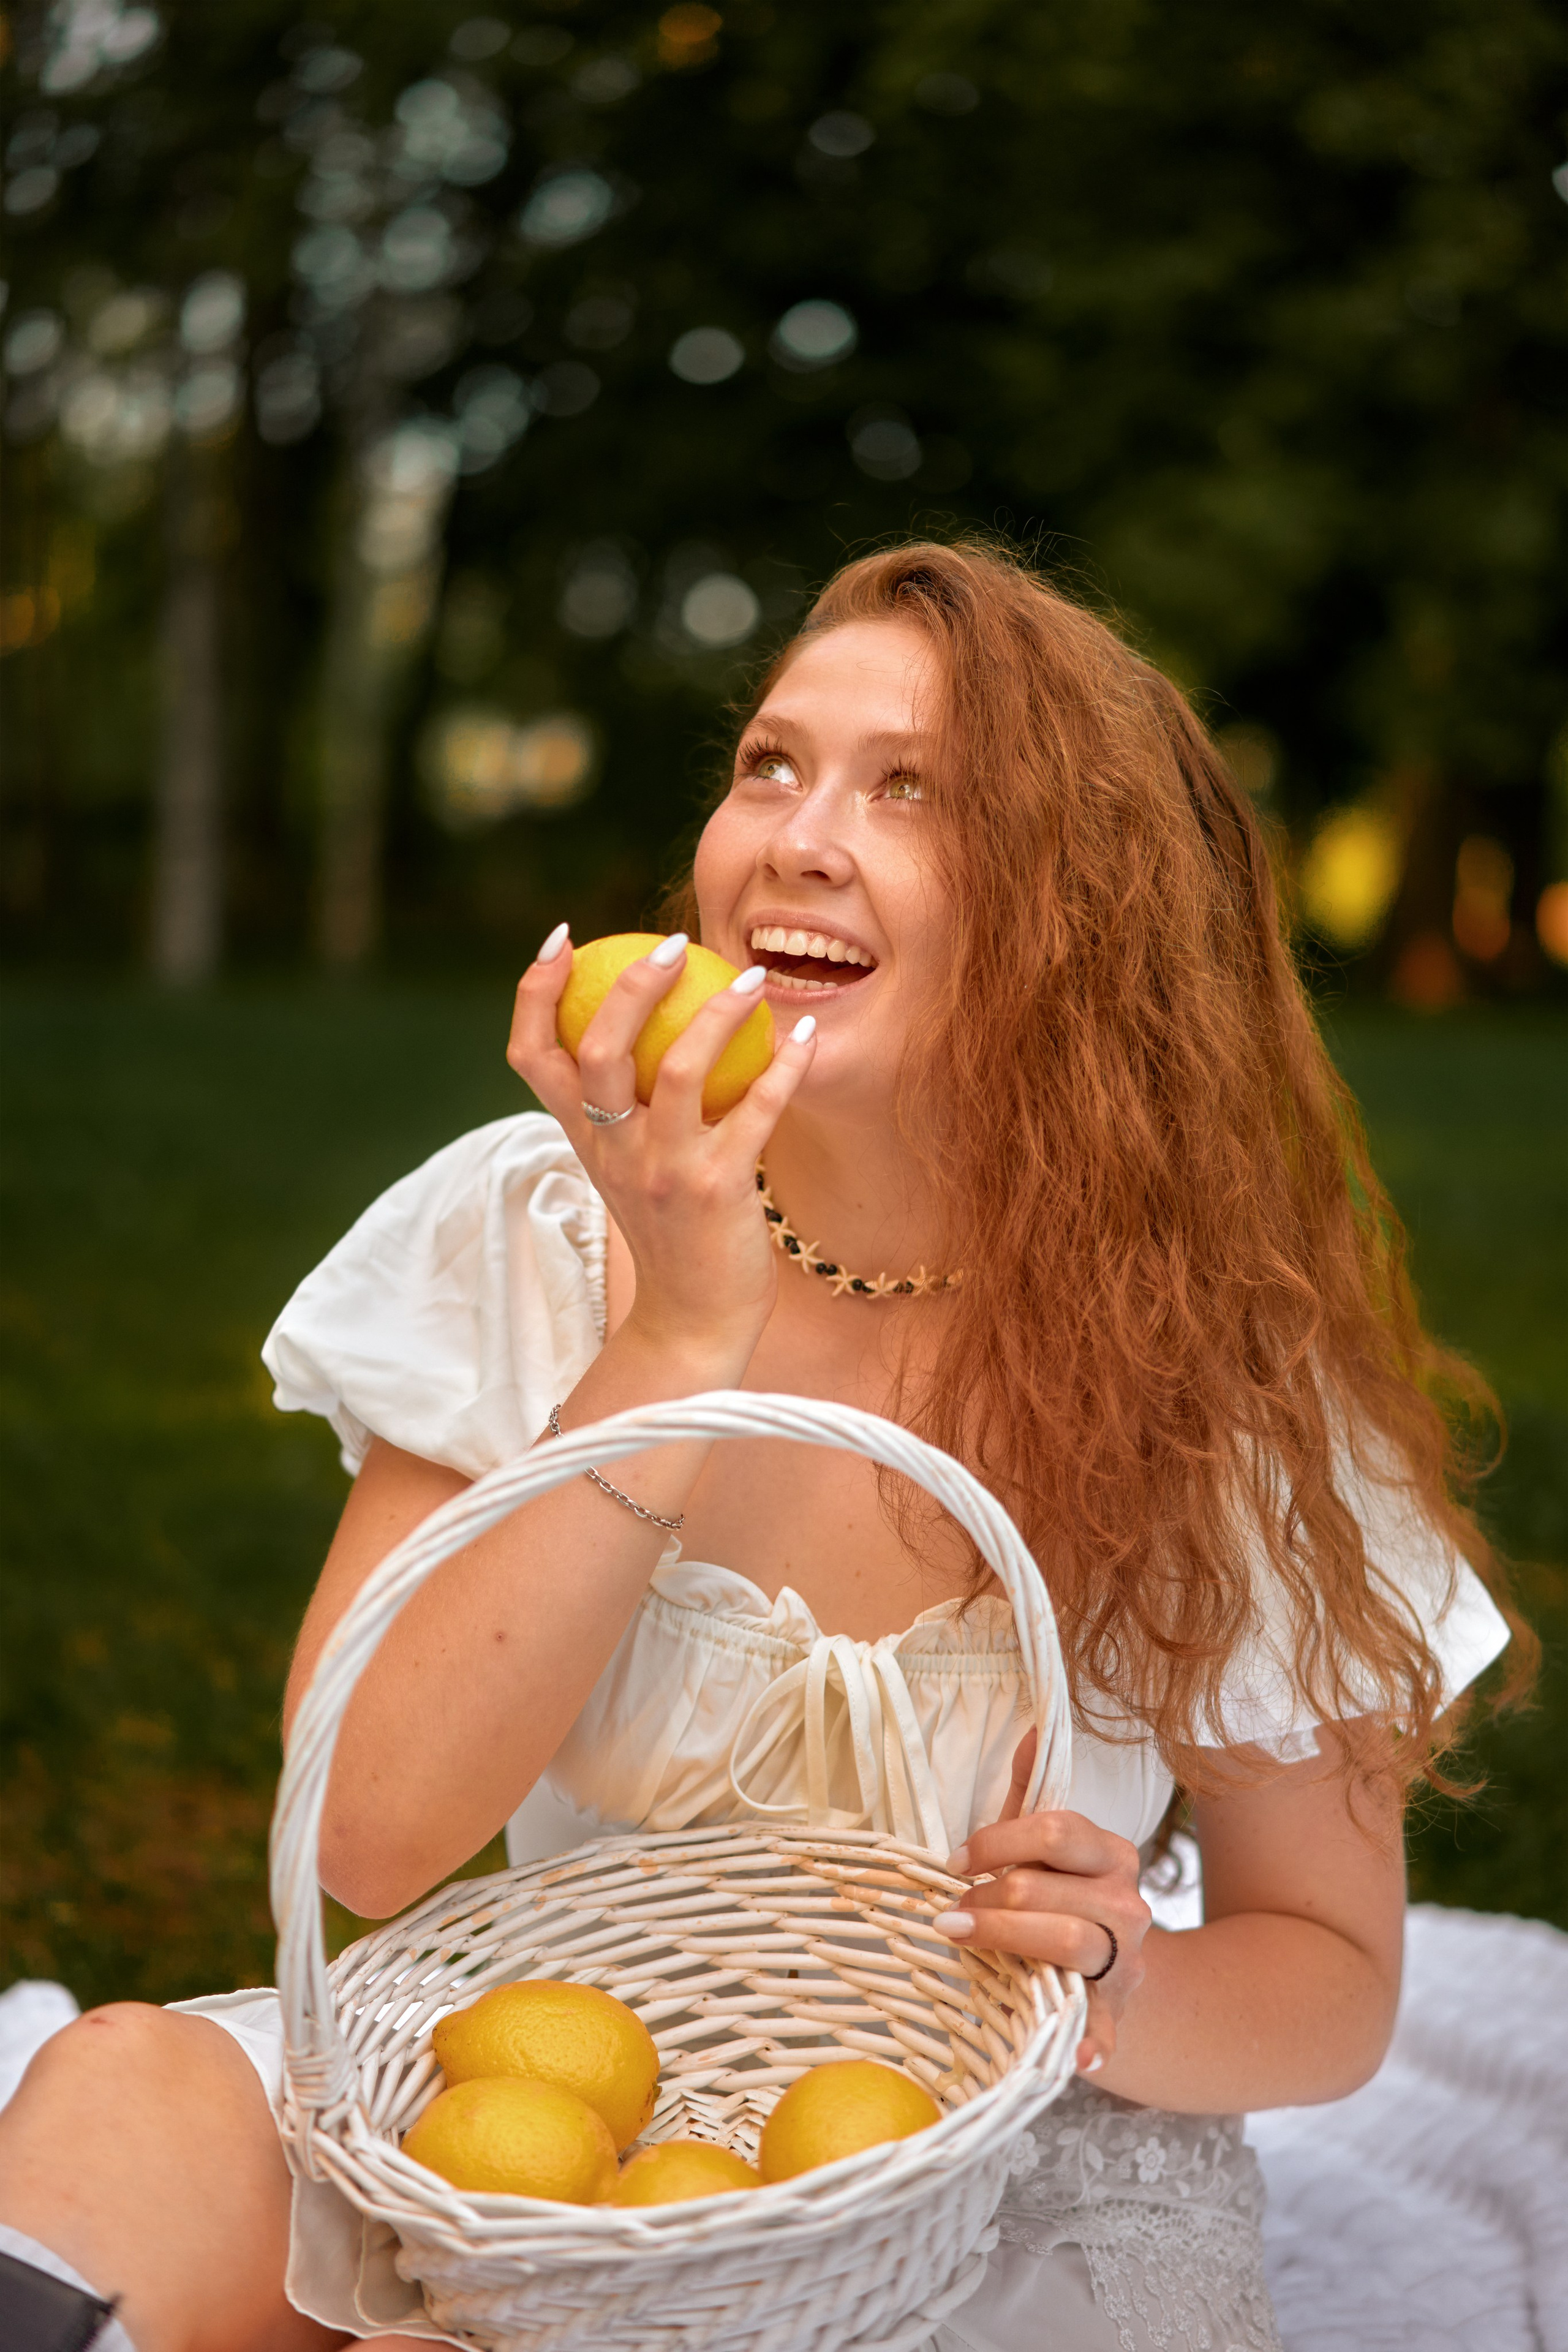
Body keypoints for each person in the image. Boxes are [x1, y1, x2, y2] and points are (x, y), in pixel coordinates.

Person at [0, 540, 1527, 2352]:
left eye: (912, 791)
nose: (800, 836)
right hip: (561, 2106)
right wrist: (675, 1325)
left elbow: (1332, 1979)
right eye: (771, 766)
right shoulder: (533, 1228)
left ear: (1086, 909)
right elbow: (368, 1838)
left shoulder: (1221, 1365)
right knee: (126, 2106)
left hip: (997, 2169)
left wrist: (1123, 1984)